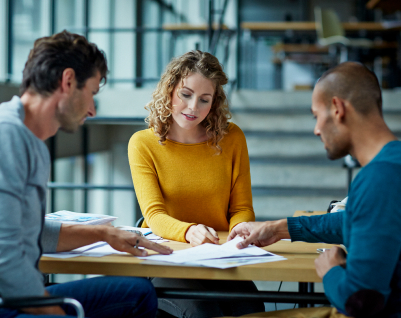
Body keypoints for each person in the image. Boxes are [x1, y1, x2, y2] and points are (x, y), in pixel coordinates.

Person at [0, 30, 172, 318]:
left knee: (137, 294)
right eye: (92, 92)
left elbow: (27, 231)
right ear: (67, 81)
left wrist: (104, 234)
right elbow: (5, 259)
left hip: (14, 295)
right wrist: (58, 314)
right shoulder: (9, 137)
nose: (92, 110)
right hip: (7, 302)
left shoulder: (31, 141)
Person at [228, 62, 401, 318]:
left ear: (337, 108)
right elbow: (357, 219)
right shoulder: (393, 161)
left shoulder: (379, 178)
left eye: (316, 116)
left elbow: (362, 301)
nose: (316, 129)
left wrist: (331, 270)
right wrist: (279, 228)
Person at [128, 50, 264, 318]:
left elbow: (242, 207)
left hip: (219, 256)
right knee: (204, 312)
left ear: (214, 103)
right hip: (166, 259)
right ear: (169, 90)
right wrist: (190, 231)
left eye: (204, 100)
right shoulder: (143, 144)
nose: (193, 108)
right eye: (185, 95)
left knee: (252, 309)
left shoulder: (232, 138)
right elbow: (154, 215)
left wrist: (241, 229)